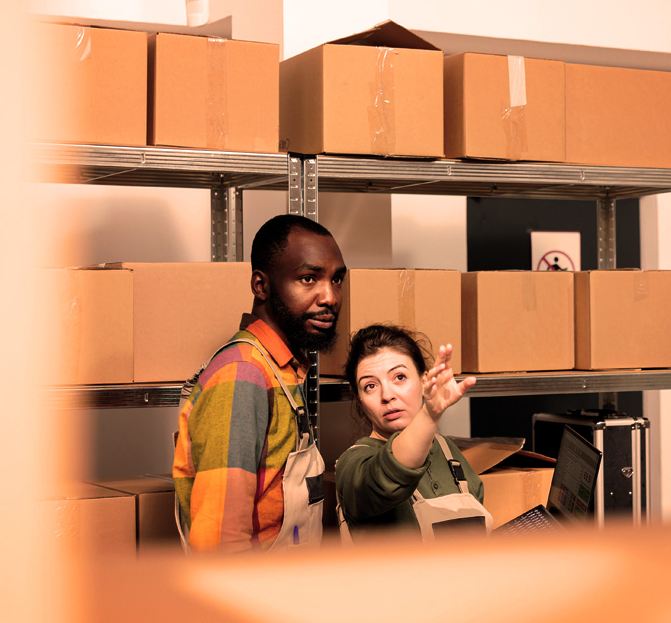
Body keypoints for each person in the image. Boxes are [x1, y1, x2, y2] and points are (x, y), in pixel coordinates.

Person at [173, 214, 346, 553]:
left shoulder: (282, 368)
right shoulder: (243, 376)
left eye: (336, 279)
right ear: (261, 286)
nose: (330, 297)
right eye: (309, 278)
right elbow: (220, 544)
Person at [335, 324, 492, 542]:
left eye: (399, 377)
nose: (387, 395)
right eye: (370, 386)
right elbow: (389, 474)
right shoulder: (354, 463)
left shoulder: (448, 451)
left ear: (425, 380)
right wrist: (429, 413)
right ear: (358, 400)